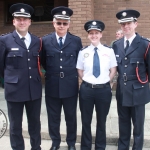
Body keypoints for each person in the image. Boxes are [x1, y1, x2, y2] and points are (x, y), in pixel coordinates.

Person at [0, 3, 42, 150]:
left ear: (30, 21)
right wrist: (7, 82)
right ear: (14, 21)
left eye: (25, 19)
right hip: (14, 90)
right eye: (19, 19)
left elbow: (40, 62)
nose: (22, 22)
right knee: (15, 125)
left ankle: (36, 147)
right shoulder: (4, 40)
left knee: (35, 123)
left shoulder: (37, 41)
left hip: (34, 90)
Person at [40, 6, 82, 150]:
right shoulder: (45, 41)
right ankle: (55, 142)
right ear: (54, 23)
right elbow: (43, 61)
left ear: (69, 24)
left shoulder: (76, 41)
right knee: (53, 117)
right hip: (52, 84)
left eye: (65, 23)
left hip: (70, 85)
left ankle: (71, 143)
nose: (62, 26)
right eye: (59, 23)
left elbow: (79, 61)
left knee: (71, 117)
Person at [112, 9, 150, 150]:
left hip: (138, 91)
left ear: (136, 24)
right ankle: (123, 147)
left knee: (138, 125)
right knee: (123, 123)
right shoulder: (116, 45)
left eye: (129, 23)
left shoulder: (145, 44)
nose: (125, 26)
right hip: (122, 90)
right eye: (123, 24)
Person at [76, 20, 117, 150]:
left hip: (103, 91)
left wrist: (107, 81)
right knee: (86, 120)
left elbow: (113, 69)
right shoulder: (83, 52)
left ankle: (100, 146)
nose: (94, 35)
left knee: (102, 121)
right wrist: (88, 81)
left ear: (101, 34)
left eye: (96, 33)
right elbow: (79, 70)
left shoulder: (109, 51)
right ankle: (86, 146)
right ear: (88, 35)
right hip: (87, 90)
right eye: (91, 33)